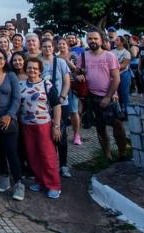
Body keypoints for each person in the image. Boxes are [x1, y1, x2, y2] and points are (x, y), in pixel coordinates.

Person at [18, 57, 62, 199]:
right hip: (26, 125)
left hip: (44, 124)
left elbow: (56, 105)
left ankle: (53, 185)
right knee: (33, 155)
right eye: (29, 67)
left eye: (35, 68)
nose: (32, 70)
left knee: (47, 155)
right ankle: (40, 180)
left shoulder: (47, 85)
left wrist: (56, 126)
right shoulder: (20, 84)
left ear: (40, 70)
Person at [82, 30, 127, 161]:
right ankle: (107, 155)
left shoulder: (109, 56)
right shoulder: (83, 57)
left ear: (101, 40)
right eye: (90, 39)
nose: (93, 41)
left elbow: (116, 79)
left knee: (117, 125)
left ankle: (122, 154)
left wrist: (108, 96)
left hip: (109, 96)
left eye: (95, 39)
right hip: (92, 97)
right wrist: (78, 74)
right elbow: (79, 72)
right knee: (100, 128)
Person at [0, 50, 23, 200]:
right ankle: (4, 176)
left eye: (1, 58)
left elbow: (16, 98)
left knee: (11, 151)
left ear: (5, 60)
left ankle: (19, 183)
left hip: (9, 118)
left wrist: (9, 115)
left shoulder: (11, 76)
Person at [40, 38, 71, 178]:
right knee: (46, 135)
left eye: (49, 46)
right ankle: (50, 163)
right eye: (44, 46)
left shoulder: (61, 62)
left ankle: (63, 164)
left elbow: (66, 82)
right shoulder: (38, 62)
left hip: (61, 102)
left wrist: (62, 97)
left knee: (61, 134)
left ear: (54, 48)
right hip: (43, 104)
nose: (47, 49)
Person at [112, 36, 132, 118]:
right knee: (116, 93)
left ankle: (127, 111)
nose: (115, 41)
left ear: (122, 42)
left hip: (124, 74)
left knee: (124, 93)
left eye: (117, 40)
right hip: (114, 74)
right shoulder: (112, 52)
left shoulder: (126, 52)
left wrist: (113, 68)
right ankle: (118, 112)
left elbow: (124, 65)